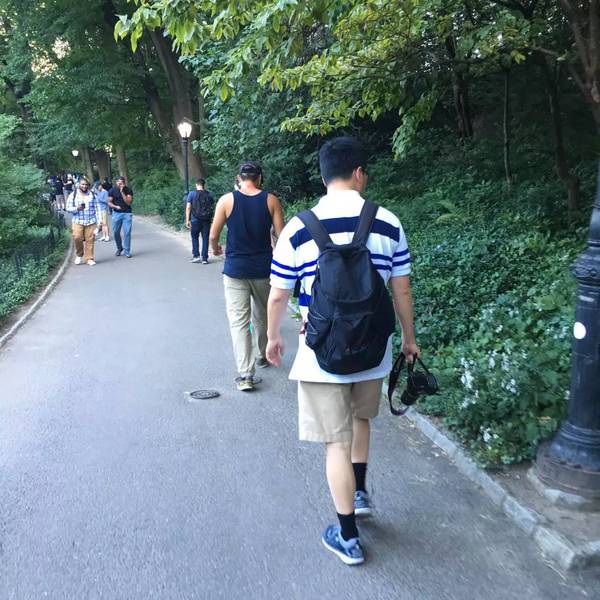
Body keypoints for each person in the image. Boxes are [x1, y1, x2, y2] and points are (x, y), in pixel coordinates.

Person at [266, 136, 420, 565]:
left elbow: (278, 294)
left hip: (322, 353)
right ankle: (361, 492)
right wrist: (409, 339)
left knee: (336, 442)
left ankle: (348, 536)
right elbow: (402, 289)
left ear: (323, 177)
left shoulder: (300, 227)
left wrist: (272, 337)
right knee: (360, 419)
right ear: (358, 173)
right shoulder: (388, 222)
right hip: (373, 349)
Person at [210, 162, 285, 392]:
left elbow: (213, 235)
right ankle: (262, 356)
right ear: (259, 178)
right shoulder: (271, 200)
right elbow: (281, 236)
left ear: (239, 178)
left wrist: (215, 248)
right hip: (263, 270)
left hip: (235, 271)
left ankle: (245, 374)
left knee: (239, 322)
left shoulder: (226, 201)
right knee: (263, 315)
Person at [65, 176, 101, 266]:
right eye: (82, 184)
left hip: (90, 221)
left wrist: (99, 222)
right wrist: (76, 208)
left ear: (88, 185)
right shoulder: (73, 195)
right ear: (79, 185)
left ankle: (89, 258)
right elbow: (68, 208)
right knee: (77, 237)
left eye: (86, 184)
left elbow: (97, 209)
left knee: (90, 239)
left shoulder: (92, 195)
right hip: (78, 221)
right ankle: (79, 254)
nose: (84, 186)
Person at [185, 178, 214, 264]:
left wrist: (187, 220)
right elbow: (212, 207)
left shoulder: (192, 194)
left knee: (194, 237)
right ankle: (204, 258)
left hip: (195, 219)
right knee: (205, 238)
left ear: (196, 185)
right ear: (204, 185)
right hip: (206, 220)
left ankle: (196, 256)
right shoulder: (209, 194)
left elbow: (188, 207)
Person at [108, 176, 134, 258]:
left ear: (124, 183)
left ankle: (127, 251)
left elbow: (128, 203)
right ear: (116, 182)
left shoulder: (128, 190)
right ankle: (119, 248)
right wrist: (115, 206)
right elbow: (109, 202)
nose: (120, 184)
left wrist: (122, 192)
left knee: (127, 232)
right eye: (118, 182)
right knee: (116, 232)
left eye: (122, 182)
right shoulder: (112, 190)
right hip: (116, 213)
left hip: (127, 213)